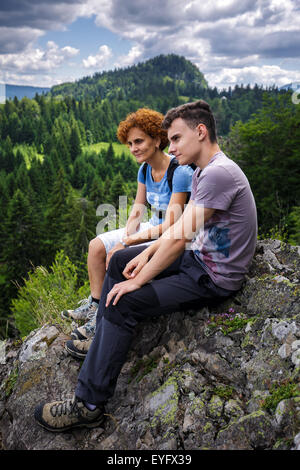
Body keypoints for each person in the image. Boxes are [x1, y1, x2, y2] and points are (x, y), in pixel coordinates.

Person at [34, 100, 257, 432]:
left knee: (124, 299)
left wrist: (141, 278)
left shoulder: (218, 173)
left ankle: (89, 404)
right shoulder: (204, 170)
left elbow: (180, 235)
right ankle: (102, 336)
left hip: (212, 277)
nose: (172, 146)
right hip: (198, 257)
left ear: (201, 131)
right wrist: (143, 254)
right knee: (121, 260)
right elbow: (183, 233)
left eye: (177, 138)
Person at [62, 108, 194, 345]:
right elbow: (137, 208)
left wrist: (128, 242)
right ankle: (95, 304)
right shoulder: (144, 169)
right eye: (130, 143)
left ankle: (102, 319)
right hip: (152, 226)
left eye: (139, 141)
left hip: (170, 235)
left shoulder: (180, 171)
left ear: (156, 139)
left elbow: (173, 223)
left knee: (118, 257)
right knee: (96, 246)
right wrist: (127, 234)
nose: (133, 148)